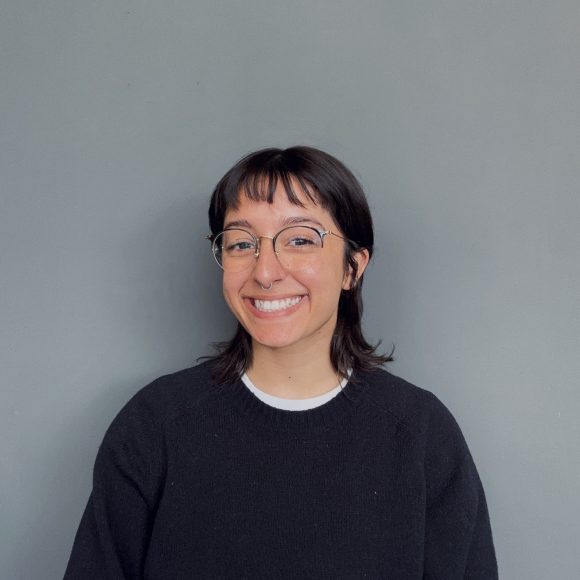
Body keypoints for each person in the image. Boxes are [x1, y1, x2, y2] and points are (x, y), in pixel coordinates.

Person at [64, 146, 498, 579]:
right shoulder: (155, 425)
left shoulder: (421, 435)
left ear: (352, 267)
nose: (265, 272)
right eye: (241, 243)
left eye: (300, 240)